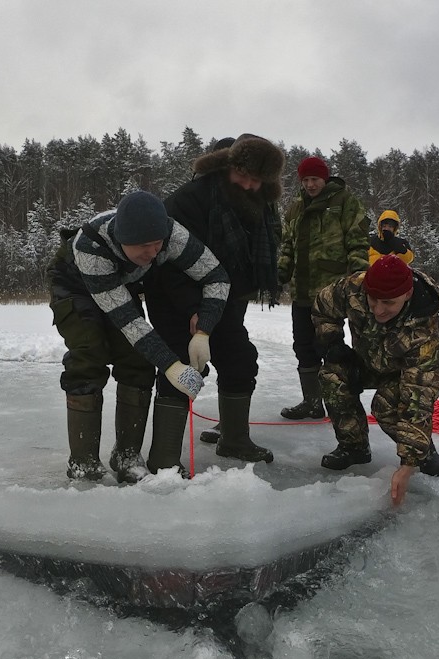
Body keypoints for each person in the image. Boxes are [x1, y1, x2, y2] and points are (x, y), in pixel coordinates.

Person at [47, 190, 229, 483]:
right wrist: (172, 367)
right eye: (144, 247)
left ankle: (127, 454)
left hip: (121, 282)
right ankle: (83, 460)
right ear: (122, 240)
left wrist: (204, 329)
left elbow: (217, 276)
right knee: (88, 355)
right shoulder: (91, 247)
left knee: (137, 361)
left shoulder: (172, 235)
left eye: (157, 244)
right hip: (75, 286)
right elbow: (129, 323)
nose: (153, 253)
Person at [143, 134, 285, 464]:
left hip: (226, 297)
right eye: (243, 176)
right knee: (181, 368)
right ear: (228, 167)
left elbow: (256, 252)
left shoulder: (260, 199)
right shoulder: (190, 199)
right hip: (173, 294)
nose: (249, 185)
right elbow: (166, 261)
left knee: (239, 360)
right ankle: (163, 459)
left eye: (257, 179)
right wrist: (195, 311)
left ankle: (234, 440)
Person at [312, 254, 439, 506]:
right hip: (365, 361)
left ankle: (423, 452)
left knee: (386, 405)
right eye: (373, 299)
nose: (378, 309)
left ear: (406, 295)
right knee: (332, 376)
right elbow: (323, 305)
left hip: (400, 373)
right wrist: (332, 344)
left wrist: (408, 464)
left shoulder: (425, 336)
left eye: (388, 302)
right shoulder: (355, 287)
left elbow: (417, 399)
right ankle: (354, 447)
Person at [277, 155, 369, 420]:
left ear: (324, 178)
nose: (310, 185)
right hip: (302, 291)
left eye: (314, 179)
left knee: (329, 347)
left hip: (332, 293)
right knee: (302, 346)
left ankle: (338, 403)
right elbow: (287, 247)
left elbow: (358, 243)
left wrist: (359, 281)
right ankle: (313, 401)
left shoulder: (344, 202)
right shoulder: (295, 207)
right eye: (305, 180)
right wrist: (280, 274)